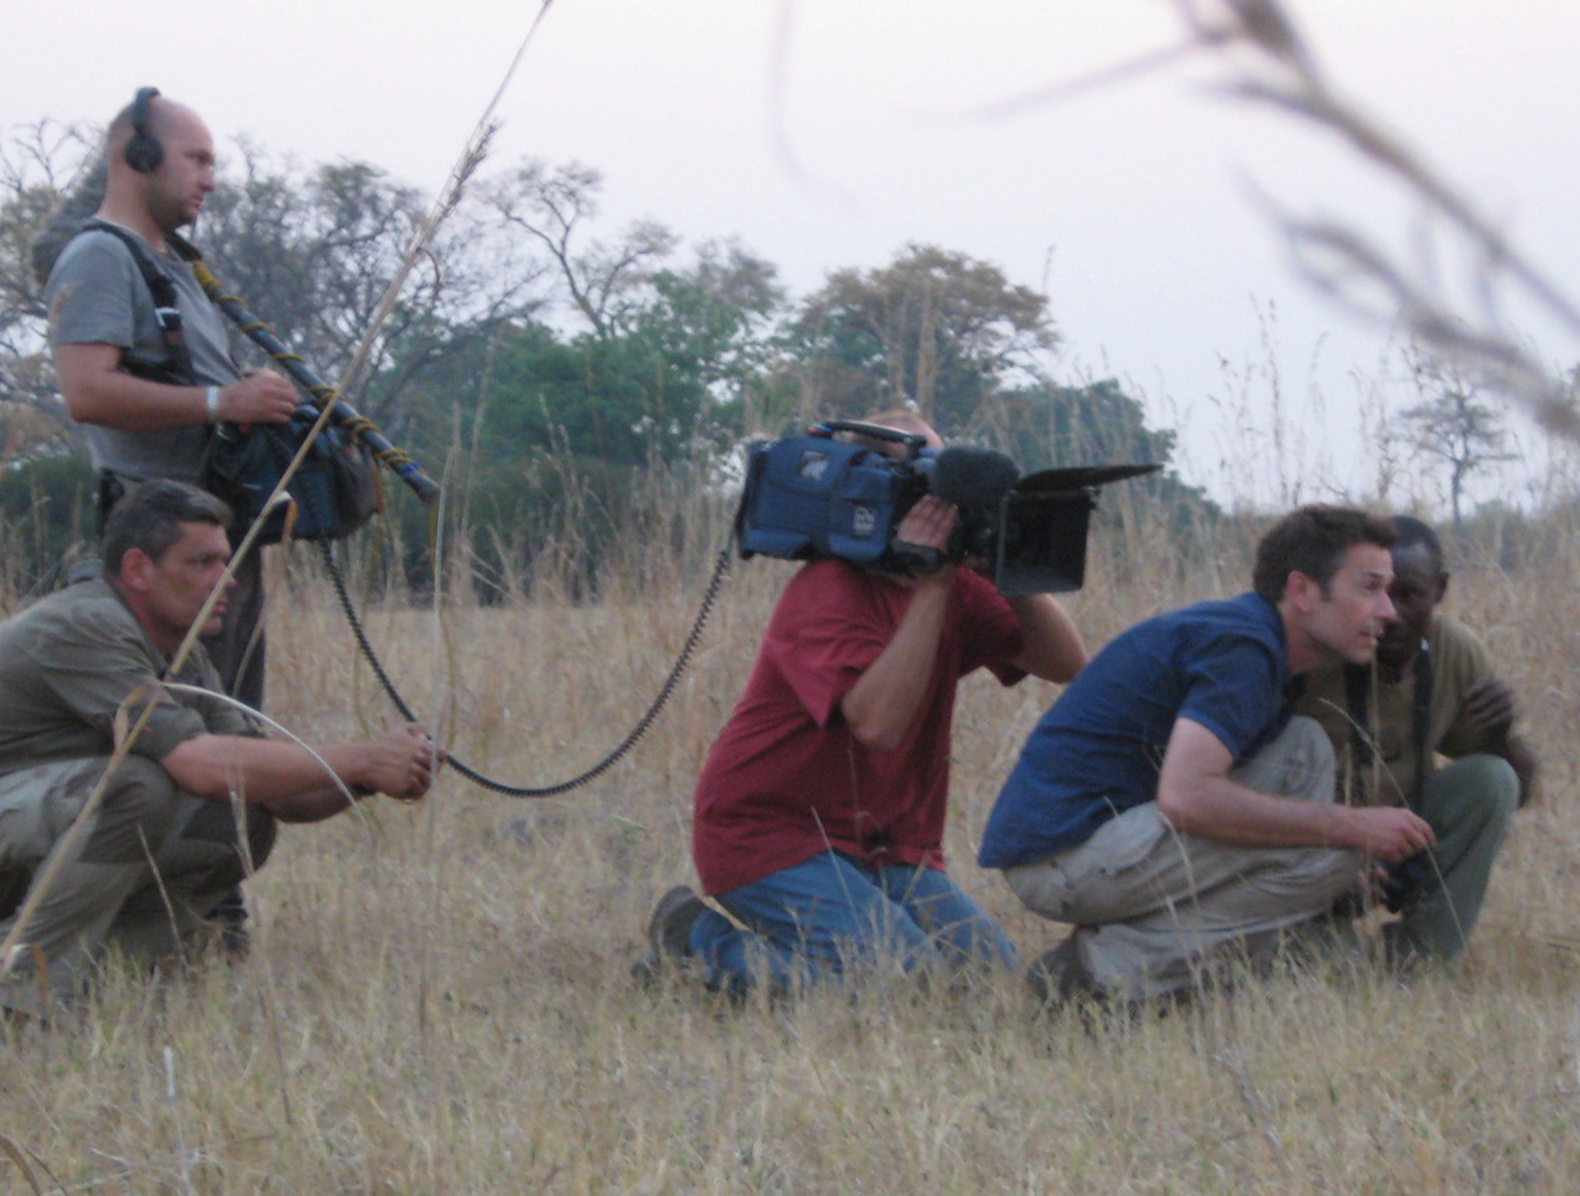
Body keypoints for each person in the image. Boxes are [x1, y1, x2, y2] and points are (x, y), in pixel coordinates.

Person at [0, 481, 438, 1021]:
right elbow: (196, 765)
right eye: (201, 562)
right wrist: (359, 757)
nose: (225, 579)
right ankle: (13, 1011)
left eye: (226, 562)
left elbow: (280, 797)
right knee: (136, 788)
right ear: (138, 569)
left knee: (241, 820)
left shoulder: (181, 648)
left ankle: (109, 997)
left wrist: (372, 777)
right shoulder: (85, 626)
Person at [637, 412, 1090, 996]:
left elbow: (1066, 665)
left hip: (884, 844)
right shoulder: (828, 591)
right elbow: (877, 726)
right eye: (938, 488)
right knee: (905, 981)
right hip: (769, 837)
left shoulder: (961, 589)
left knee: (986, 975)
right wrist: (932, 586)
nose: (953, 506)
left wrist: (1010, 567)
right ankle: (698, 947)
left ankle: (790, 954)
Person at [978, 505, 1433, 1003]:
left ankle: (1172, 973)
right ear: (1302, 591)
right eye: (1369, 588)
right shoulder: (1243, 647)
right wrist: (1352, 827)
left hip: (1098, 840)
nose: (1388, 611)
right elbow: (1186, 799)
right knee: (1334, 849)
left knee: (1305, 747)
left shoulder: (1262, 643)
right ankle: (1095, 975)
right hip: (1061, 857)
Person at [48, 87, 300, 710]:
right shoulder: (101, 255)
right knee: (188, 731)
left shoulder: (170, 264)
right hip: (159, 544)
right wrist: (223, 404)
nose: (210, 180)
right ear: (137, 156)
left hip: (212, 535)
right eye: (197, 160)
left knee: (234, 722)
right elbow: (86, 391)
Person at [1293, 515, 1535, 968]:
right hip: (1311, 851)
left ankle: (1420, 958)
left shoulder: (1455, 651)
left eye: (1411, 596)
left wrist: (1498, 736)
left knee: (1493, 778)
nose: (1391, 614)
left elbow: (1516, 790)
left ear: (1440, 591)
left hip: (1399, 846)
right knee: (1330, 980)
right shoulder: (1314, 652)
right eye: (1374, 592)